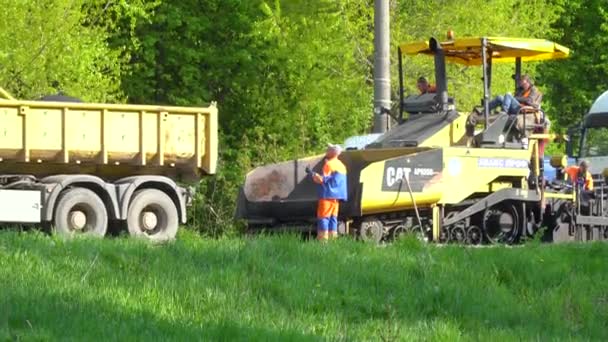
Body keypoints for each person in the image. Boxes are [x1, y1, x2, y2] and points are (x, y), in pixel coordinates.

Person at [306, 144, 348, 241]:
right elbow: (333, 179)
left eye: (329, 149)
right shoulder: (342, 165)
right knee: (333, 218)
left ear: (333, 152)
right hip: (336, 198)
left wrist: (311, 173)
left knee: (324, 217)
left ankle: (323, 240)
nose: (327, 150)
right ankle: (332, 239)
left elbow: (321, 179)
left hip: (327, 196)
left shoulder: (329, 165)